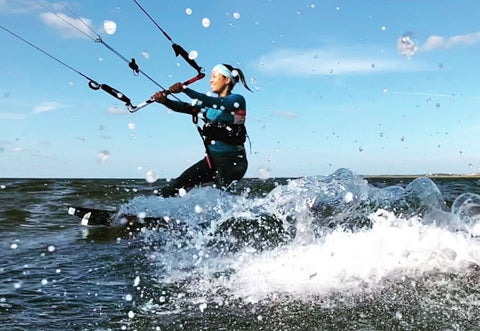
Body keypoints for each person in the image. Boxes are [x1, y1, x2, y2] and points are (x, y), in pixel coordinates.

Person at [152, 63, 252, 197]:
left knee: (221, 197)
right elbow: (183, 107)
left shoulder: (237, 100)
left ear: (227, 80)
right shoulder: (207, 108)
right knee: (175, 188)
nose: (210, 80)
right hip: (212, 162)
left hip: (233, 163)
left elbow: (210, 101)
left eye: (214, 77)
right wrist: (165, 101)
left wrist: (185, 89)